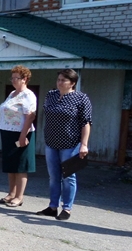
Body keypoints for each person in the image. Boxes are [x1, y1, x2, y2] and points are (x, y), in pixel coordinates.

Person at [37, 69, 92, 220]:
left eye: (63, 80)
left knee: (68, 176)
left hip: (70, 143)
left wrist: (84, 144)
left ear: (72, 83)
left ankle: (66, 209)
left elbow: (86, 123)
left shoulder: (81, 98)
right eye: (59, 79)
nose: (59, 82)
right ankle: (53, 206)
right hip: (51, 142)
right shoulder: (51, 95)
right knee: (53, 176)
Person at [0, 65, 37, 207]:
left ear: (25, 79)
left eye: (17, 78)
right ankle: (11, 193)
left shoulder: (28, 95)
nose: (13, 80)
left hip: (21, 133)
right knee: (11, 165)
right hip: (8, 132)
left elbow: (30, 117)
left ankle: (19, 197)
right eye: (12, 77)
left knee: (20, 165)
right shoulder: (12, 94)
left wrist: (22, 135)